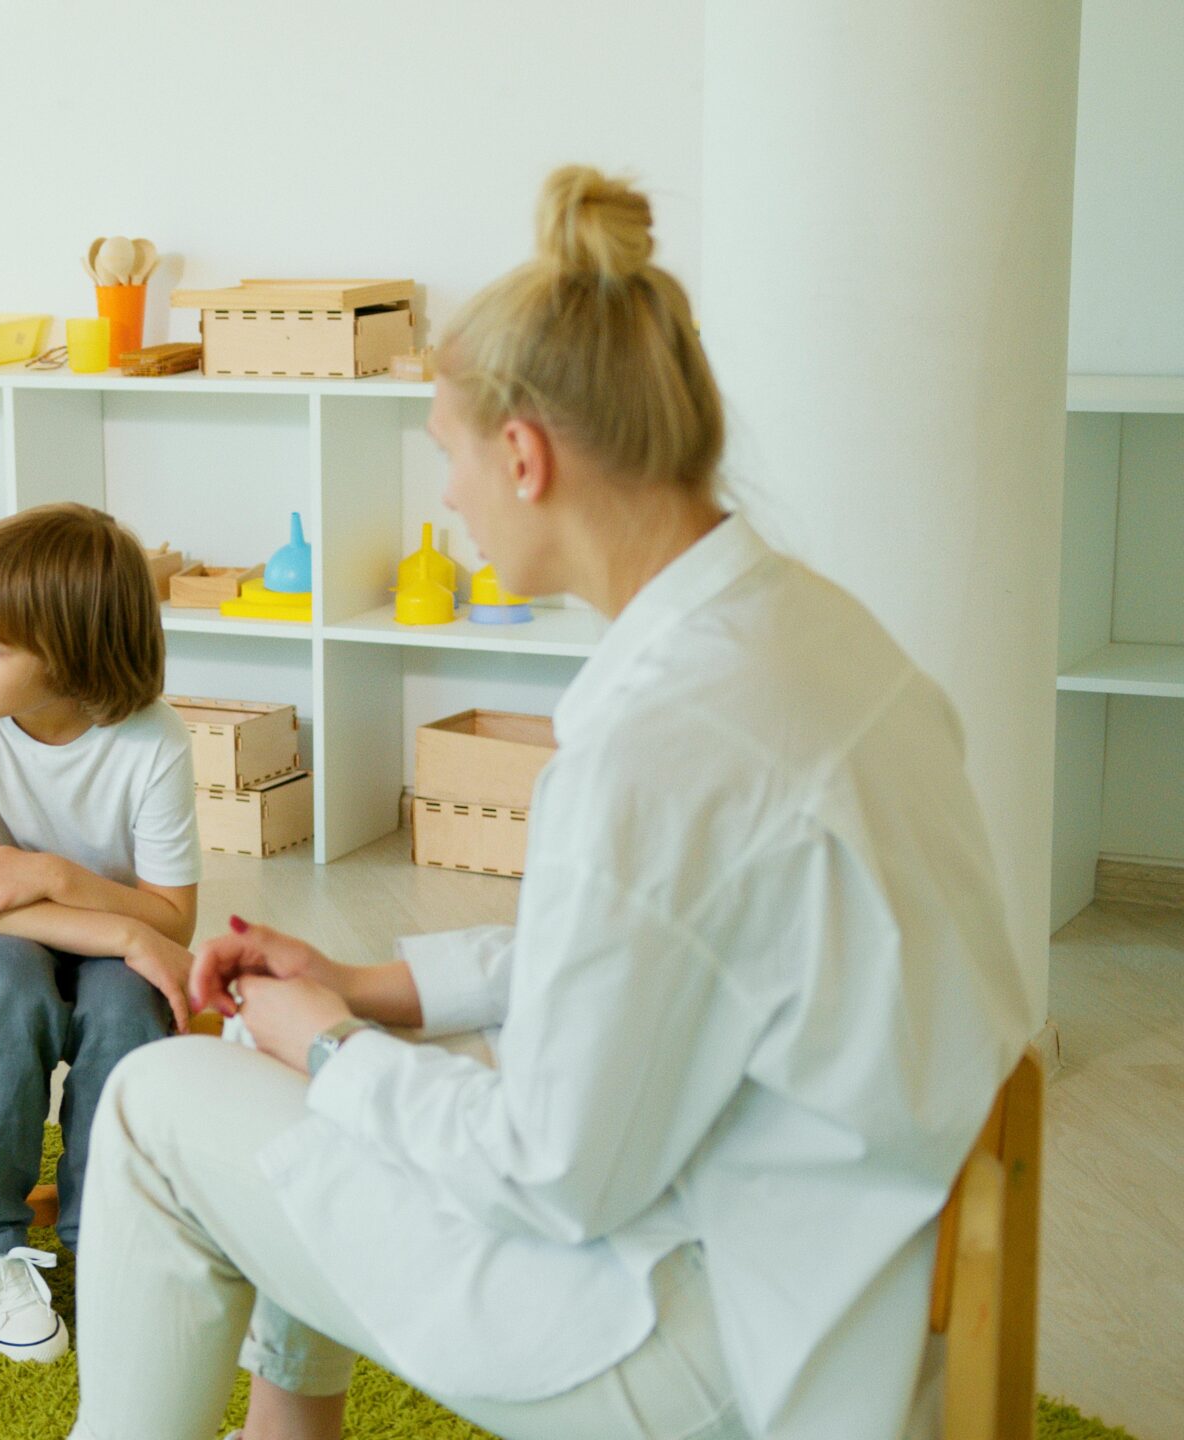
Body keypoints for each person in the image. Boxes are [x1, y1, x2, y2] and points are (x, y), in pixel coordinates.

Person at [65, 166, 1035, 1440]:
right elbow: (633, 956)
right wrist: (363, 989)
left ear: (521, 457)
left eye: (447, 461)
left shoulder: (656, 742)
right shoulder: (814, 635)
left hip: (712, 1345)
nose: (450, 499)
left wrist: (327, 1045)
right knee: (327, 1071)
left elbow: (552, 1172)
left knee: (155, 1103)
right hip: (841, 1258)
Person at [0, 503, 201, 1365]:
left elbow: (172, 920)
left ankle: (105, 1232)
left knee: (127, 1007)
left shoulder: (155, 740)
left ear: (75, 662)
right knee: (6, 984)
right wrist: (128, 931)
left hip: (87, 912)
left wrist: (58, 877)